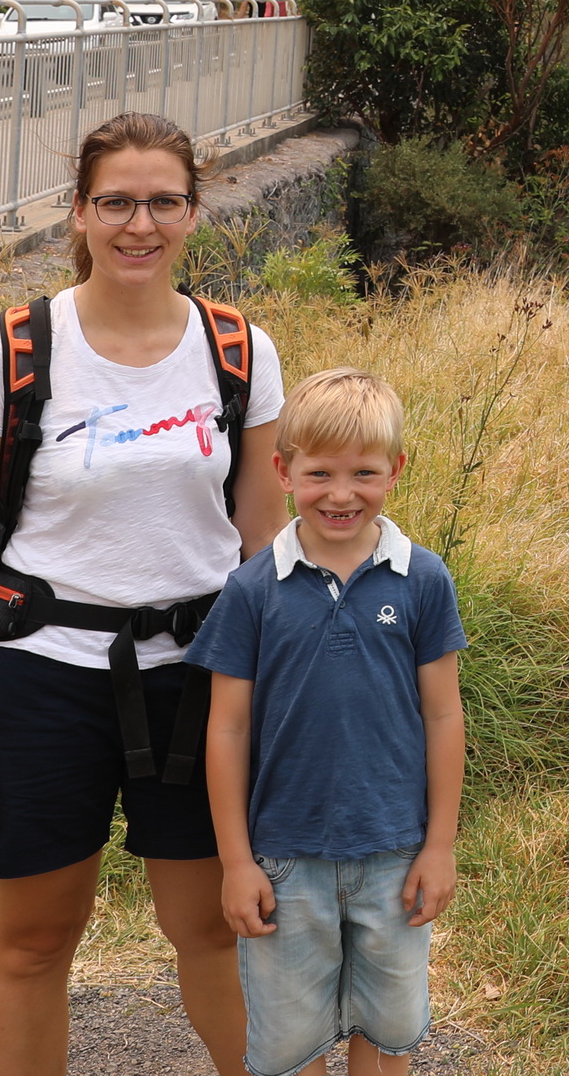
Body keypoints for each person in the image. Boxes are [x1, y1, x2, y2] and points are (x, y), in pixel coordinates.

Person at [0, 112, 286, 1076]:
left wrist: (301, 690)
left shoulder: (238, 348)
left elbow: (266, 542)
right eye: (116, 202)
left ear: (195, 213)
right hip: (41, 676)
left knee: (215, 925)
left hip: (204, 677)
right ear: (78, 213)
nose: (140, 225)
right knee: (36, 939)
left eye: (164, 201)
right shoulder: (8, 353)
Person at [194, 368, 467, 1076]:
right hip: (285, 857)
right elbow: (225, 729)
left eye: (363, 473)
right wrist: (235, 862)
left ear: (396, 471)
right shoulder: (253, 589)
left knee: (389, 1027)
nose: (341, 494)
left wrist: (439, 846)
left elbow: (443, 715)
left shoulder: (424, 580)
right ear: (282, 471)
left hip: (395, 852)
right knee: (291, 1041)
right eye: (319, 473)